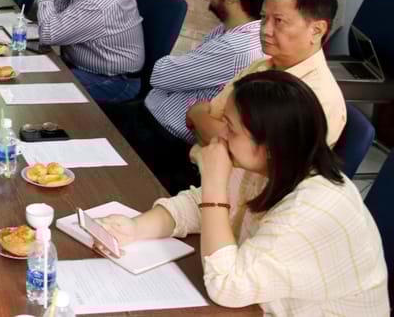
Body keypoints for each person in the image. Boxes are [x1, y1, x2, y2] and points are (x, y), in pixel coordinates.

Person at [95, 71, 389, 315]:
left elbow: (227, 286)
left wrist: (213, 182)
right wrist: (135, 227)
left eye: (231, 129)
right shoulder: (268, 164)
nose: (220, 135)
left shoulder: (312, 208)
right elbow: (197, 206)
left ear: (270, 145)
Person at [114, 0, 280, 193]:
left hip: (163, 142)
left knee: (85, 133)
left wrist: (180, 65)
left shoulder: (238, 48)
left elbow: (161, 74)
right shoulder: (229, 30)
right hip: (148, 117)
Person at [187, 0, 346, 147]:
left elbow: (245, 153)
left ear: (317, 30)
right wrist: (207, 124)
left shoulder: (319, 99)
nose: (265, 30)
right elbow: (213, 117)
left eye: (279, 21)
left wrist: (197, 114)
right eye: (264, 18)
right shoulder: (263, 65)